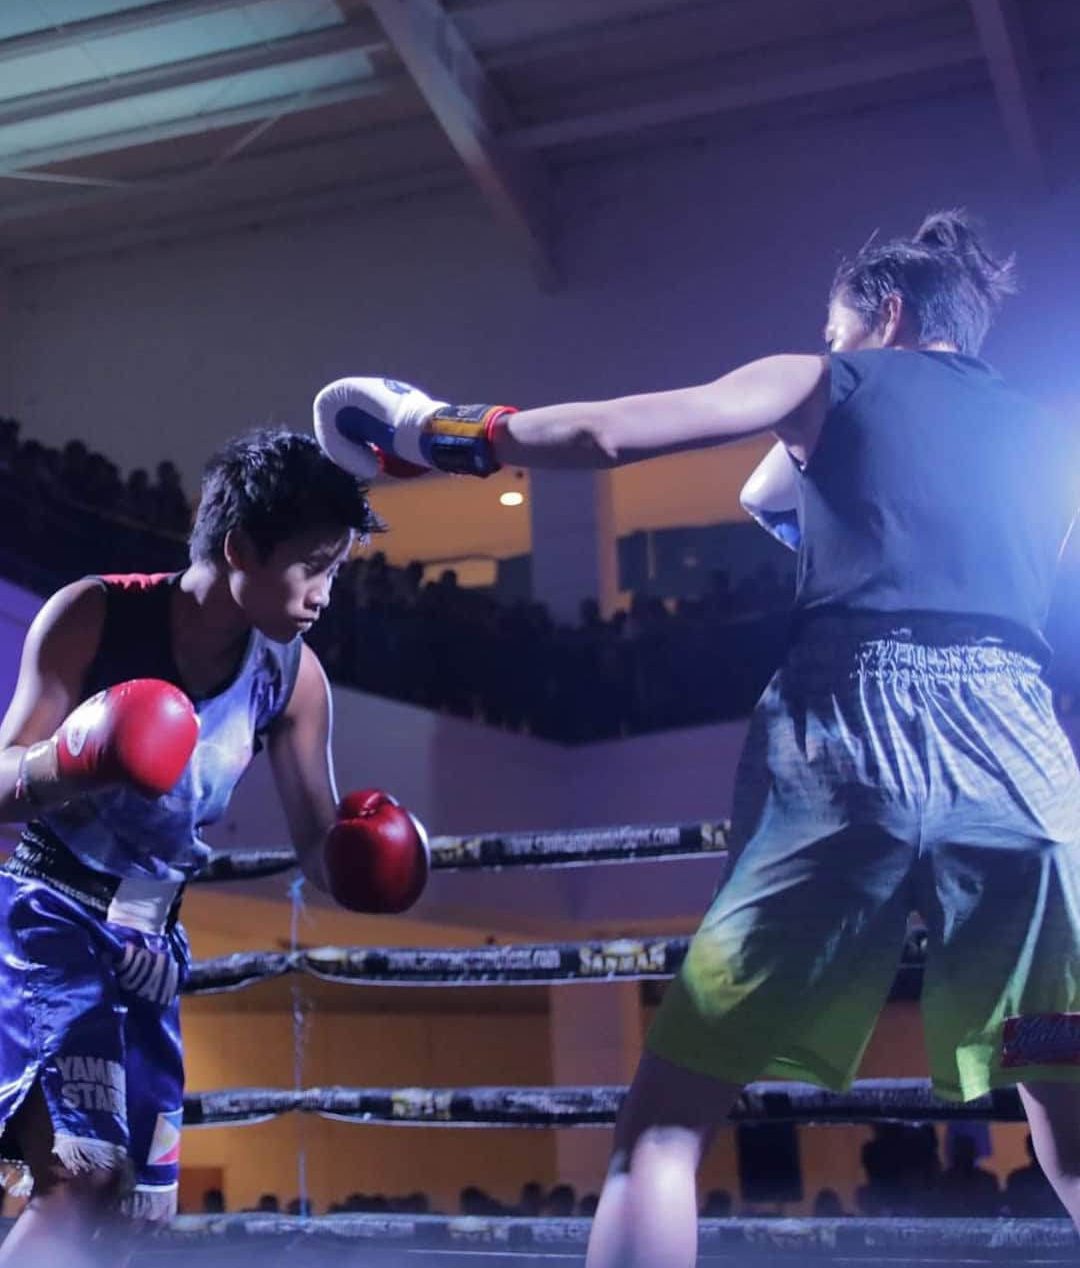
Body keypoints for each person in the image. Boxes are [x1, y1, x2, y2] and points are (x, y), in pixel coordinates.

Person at [317, 211, 1080, 1267]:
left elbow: (610, 434)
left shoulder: (831, 380)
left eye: (837, 326)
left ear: (885, 313)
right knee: (1072, 1124)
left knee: (665, 1134)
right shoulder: (1049, 431)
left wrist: (434, 432)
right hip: (1023, 769)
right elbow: (788, 498)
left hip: (850, 748)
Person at [0, 428, 429, 1267]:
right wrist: (72, 762)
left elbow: (316, 843)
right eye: (312, 564)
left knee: (133, 1212)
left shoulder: (292, 676)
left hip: (152, 941)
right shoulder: (93, 613)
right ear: (239, 546)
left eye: (336, 567)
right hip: (50, 911)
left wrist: (365, 857)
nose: (325, 592)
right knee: (78, 1175)